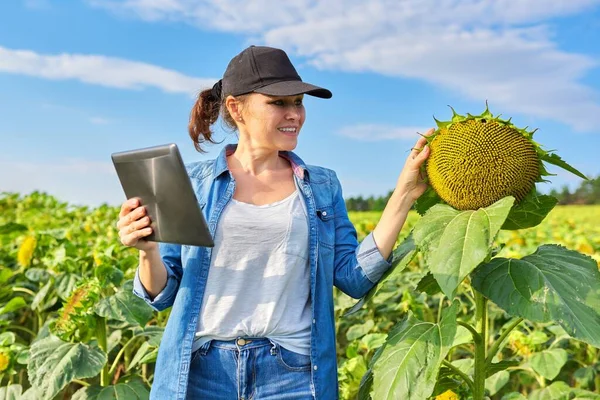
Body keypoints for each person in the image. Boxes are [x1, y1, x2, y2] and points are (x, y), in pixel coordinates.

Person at [116, 45, 431, 400]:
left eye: (298, 102)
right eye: (278, 102)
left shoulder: (322, 186)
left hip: (292, 373)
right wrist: (147, 253)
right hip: (203, 374)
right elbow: (163, 293)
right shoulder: (191, 183)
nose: (294, 113)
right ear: (236, 108)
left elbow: (352, 278)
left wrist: (403, 195)